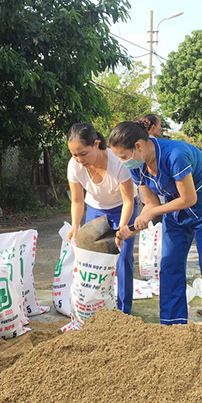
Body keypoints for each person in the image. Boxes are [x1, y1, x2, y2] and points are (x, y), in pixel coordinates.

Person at [109, 119, 202, 328]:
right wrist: (131, 228)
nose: (122, 162)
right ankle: (173, 326)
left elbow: (189, 199)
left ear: (138, 146)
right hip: (175, 206)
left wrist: (153, 212)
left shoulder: (176, 155)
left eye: (123, 157)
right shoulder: (137, 167)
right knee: (169, 264)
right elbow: (151, 203)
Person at [66, 123, 136, 314]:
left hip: (123, 207)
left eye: (83, 153)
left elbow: (129, 200)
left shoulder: (118, 163)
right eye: (74, 154)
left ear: (96, 144)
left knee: (122, 259)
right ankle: (96, 311)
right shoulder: (74, 166)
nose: (79, 159)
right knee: (93, 259)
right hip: (96, 209)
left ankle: (123, 312)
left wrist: (122, 229)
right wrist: (75, 226)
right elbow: (78, 201)